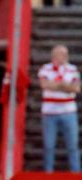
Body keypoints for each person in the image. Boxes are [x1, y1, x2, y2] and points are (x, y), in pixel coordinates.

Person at [39, 44, 81, 172]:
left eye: (64, 54)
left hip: (68, 112)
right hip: (49, 113)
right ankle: (48, 173)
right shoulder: (45, 69)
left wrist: (58, 85)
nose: (62, 57)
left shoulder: (73, 69)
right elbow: (45, 84)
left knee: (72, 145)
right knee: (49, 145)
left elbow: (76, 88)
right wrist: (64, 85)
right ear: (53, 55)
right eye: (59, 54)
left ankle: (76, 173)